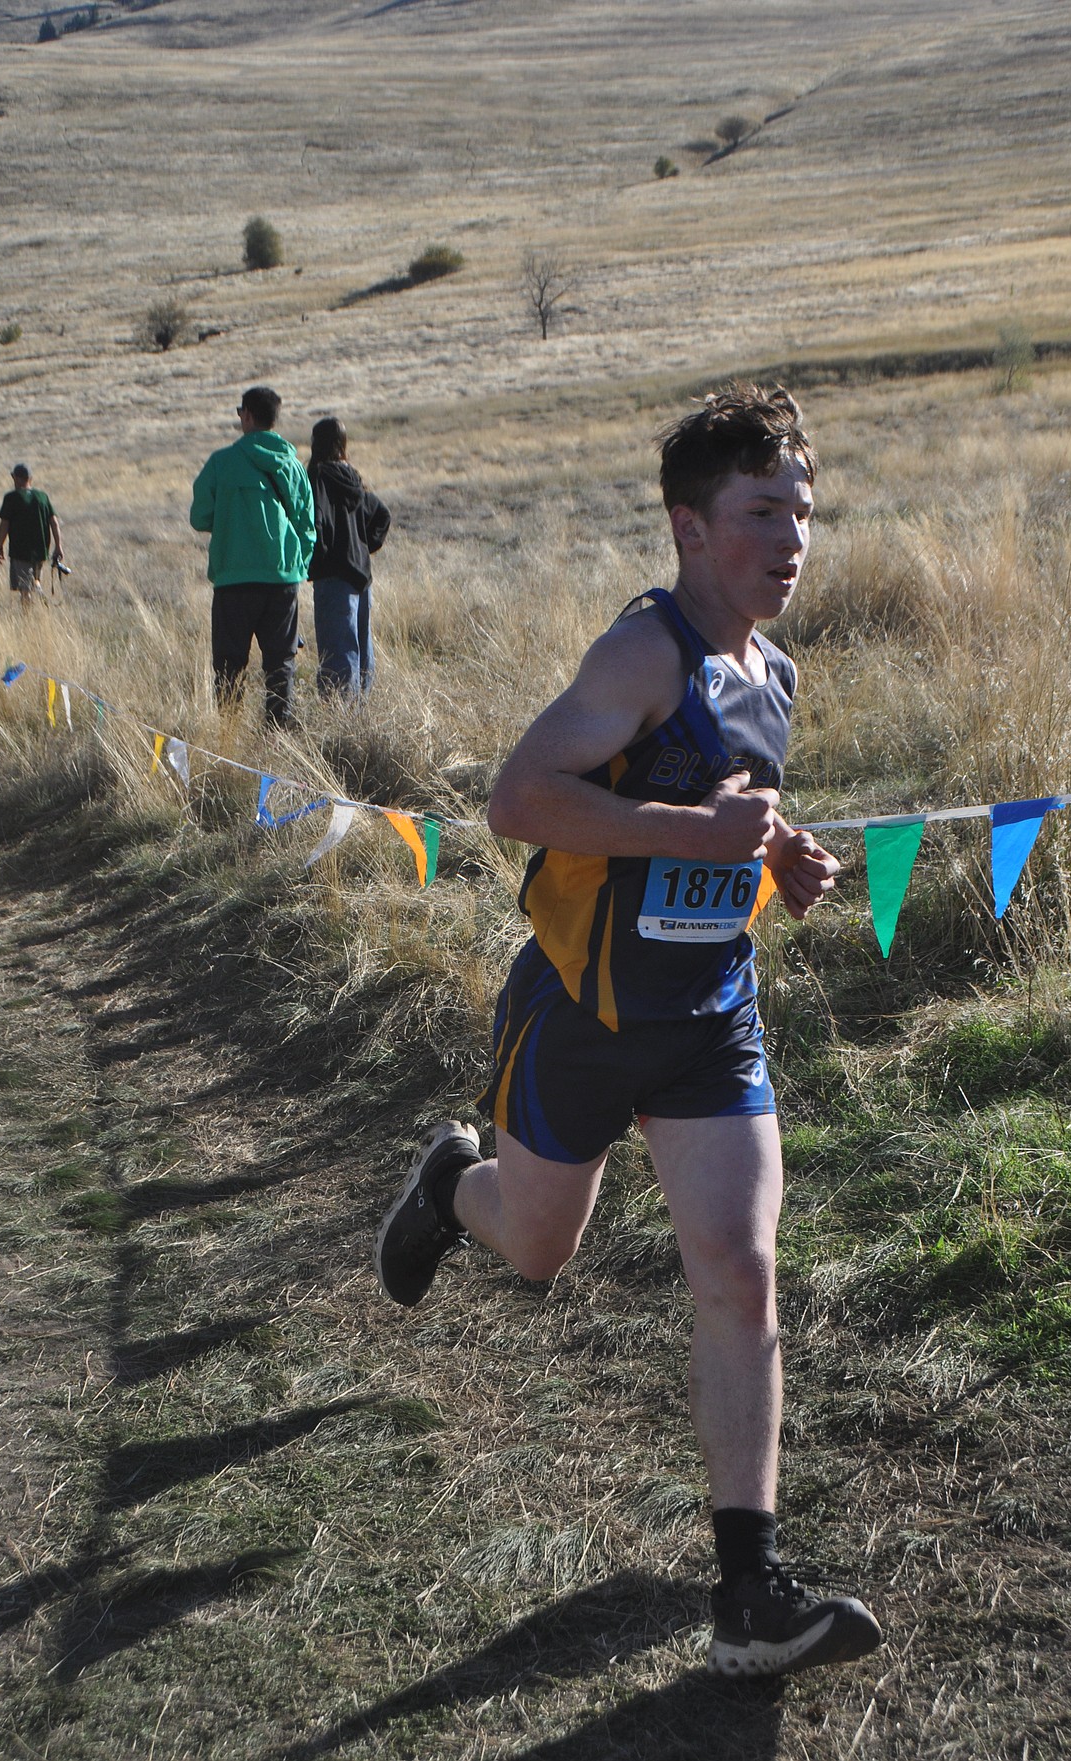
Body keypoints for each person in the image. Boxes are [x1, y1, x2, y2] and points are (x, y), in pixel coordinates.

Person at [375, 384, 883, 1679]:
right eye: (761, 512)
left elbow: (728, 820)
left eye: (803, 512)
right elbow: (519, 798)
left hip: (710, 1014)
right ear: (688, 526)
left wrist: (783, 860)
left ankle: (747, 1597)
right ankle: (449, 1183)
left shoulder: (772, 672)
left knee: (739, 1270)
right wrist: (686, 835)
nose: (792, 539)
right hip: (583, 1010)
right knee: (538, 1251)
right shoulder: (641, 653)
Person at [189, 385, 316, 726]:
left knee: (229, 665)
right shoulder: (292, 464)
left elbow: (198, 517)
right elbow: (307, 524)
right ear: (274, 419)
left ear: (246, 415)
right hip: (283, 577)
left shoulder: (221, 463)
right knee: (281, 663)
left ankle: (229, 734)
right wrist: (297, 565)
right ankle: (277, 734)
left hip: (234, 579)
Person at [306, 417, 391, 699]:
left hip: (334, 577)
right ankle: (359, 717)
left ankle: (340, 720)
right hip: (361, 577)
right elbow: (382, 514)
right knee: (361, 649)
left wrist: (317, 558)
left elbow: (314, 522)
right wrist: (365, 546)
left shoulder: (318, 477)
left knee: (338, 651)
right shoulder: (353, 477)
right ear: (343, 445)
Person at [0, 463, 66, 611]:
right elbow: (54, 523)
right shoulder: (42, 497)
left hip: (20, 551)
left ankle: (28, 618)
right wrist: (58, 546)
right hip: (41, 550)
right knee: (35, 581)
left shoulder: (11, 497)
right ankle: (40, 601)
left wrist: (0, 547)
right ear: (30, 478)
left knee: (25, 589)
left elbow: (4, 524)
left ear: (15, 477)